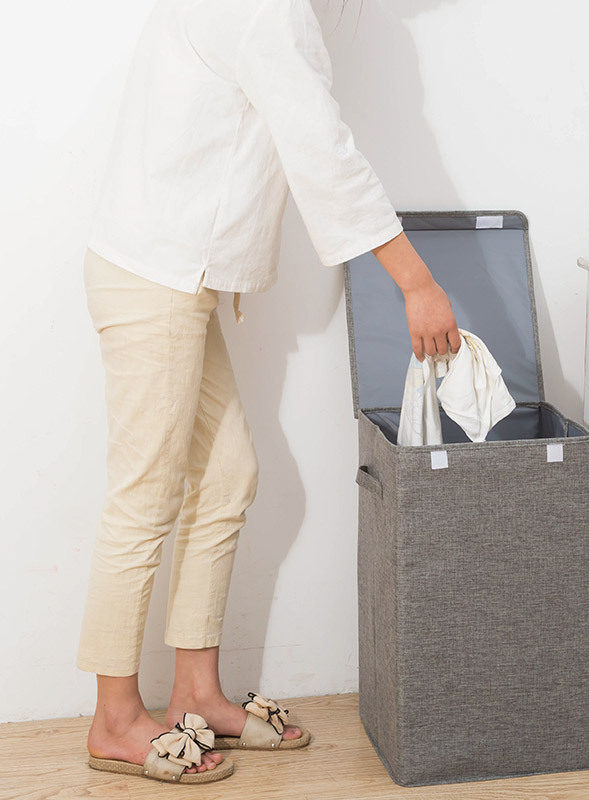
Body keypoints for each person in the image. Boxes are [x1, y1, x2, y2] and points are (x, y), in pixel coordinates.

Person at [77, 0, 460, 785]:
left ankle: (196, 692)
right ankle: (113, 719)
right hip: (155, 274)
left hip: (169, 271)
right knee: (144, 496)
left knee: (226, 477)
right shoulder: (267, 8)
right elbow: (323, 152)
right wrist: (416, 282)